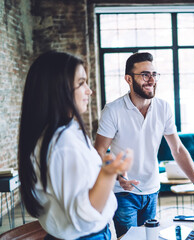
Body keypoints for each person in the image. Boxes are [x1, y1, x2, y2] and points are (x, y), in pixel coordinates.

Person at [94, 52, 194, 237]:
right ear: (128, 79)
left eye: (154, 74)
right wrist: (117, 177)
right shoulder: (113, 110)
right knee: (129, 238)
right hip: (123, 192)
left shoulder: (163, 107)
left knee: (150, 236)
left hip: (152, 190)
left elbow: (177, 149)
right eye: (145, 74)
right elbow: (98, 150)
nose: (151, 79)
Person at [18, 51, 133, 239]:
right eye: (81, 83)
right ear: (57, 90)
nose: (89, 90)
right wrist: (109, 173)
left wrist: (107, 170)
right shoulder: (63, 143)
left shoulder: (62, 133)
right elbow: (83, 218)